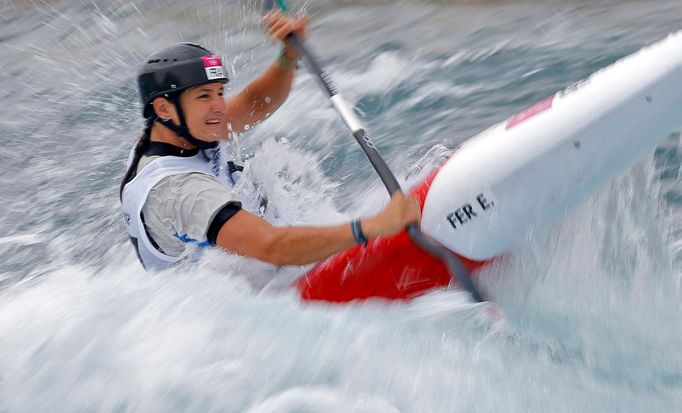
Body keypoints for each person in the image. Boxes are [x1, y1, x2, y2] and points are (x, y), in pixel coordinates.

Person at [120, 11, 421, 270]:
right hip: (236, 309)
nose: (220, 107)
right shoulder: (179, 190)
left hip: (262, 264)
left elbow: (255, 103)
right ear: (163, 108)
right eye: (204, 96)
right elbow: (272, 248)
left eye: (220, 93)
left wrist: (288, 57)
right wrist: (373, 227)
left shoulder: (185, 127)